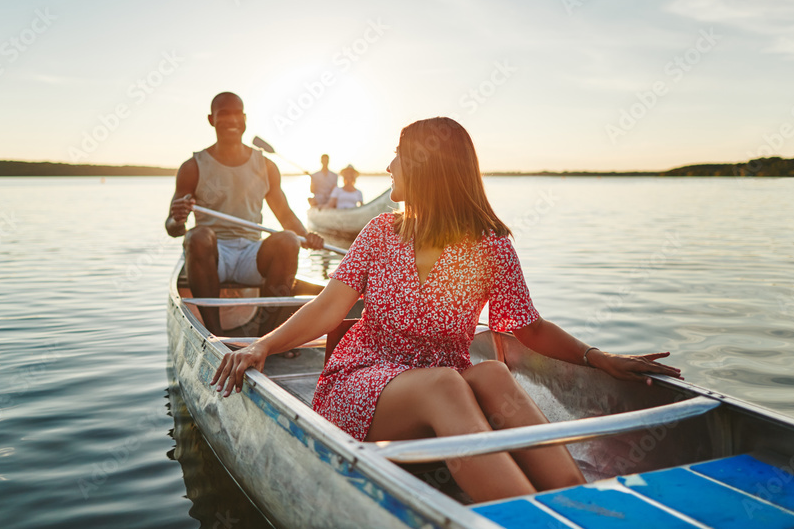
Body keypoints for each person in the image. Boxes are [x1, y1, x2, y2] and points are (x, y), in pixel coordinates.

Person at [209, 117, 681, 503]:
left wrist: (597, 357)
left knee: (493, 376)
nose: (388, 164)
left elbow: (529, 328)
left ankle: (577, 504)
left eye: (397, 152)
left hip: (446, 387)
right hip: (363, 386)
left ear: (424, 166)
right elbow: (328, 309)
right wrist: (262, 346)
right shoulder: (379, 233)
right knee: (446, 383)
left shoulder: (490, 244)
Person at [165, 91, 324, 337]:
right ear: (211, 119)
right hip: (212, 254)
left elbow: (285, 215)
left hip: (251, 252)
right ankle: (214, 337)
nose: (231, 120)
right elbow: (173, 229)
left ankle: (268, 337)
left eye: (236, 114)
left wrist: (307, 236)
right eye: (223, 114)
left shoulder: (266, 166)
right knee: (197, 236)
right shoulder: (192, 166)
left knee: (288, 240)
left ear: (245, 119)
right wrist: (177, 218)